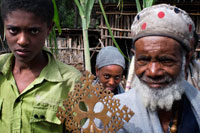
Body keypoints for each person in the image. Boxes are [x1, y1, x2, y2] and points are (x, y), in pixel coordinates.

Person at [111, 4, 200, 132]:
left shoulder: (196, 107)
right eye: (143, 60)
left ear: (186, 60)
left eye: (165, 60)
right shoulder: (110, 113)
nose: (153, 72)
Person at [0, 0, 81, 132]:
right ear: (4, 26)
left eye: (33, 31)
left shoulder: (71, 82)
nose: (22, 41)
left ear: (49, 28)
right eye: (14, 30)